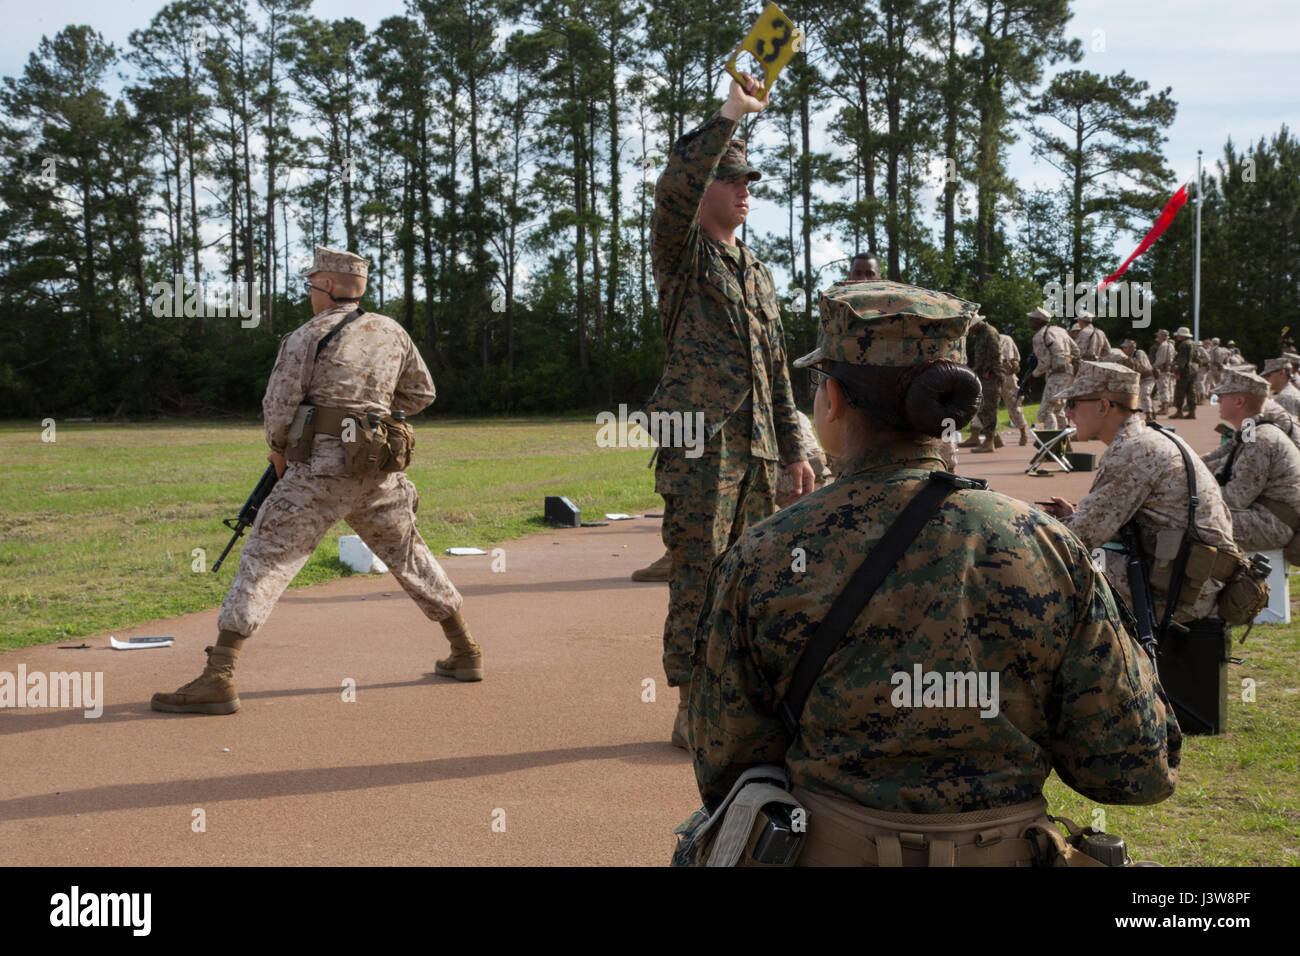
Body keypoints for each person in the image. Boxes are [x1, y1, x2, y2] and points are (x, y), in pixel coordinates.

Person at [686, 284, 1179, 867]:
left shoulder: (764, 554)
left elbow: (726, 764)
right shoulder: (1049, 549)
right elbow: (1135, 768)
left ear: (835, 398)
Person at [152, 247, 479, 714]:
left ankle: (219, 675)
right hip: (377, 470)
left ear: (326, 286)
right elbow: (422, 393)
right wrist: (374, 413)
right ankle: (465, 651)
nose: (309, 294)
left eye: (310, 285)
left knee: (265, 558)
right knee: (409, 555)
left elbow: (279, 404)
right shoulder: (391, 331)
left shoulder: (308, 335)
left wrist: (279, 448)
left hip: (317, 470)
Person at [645, 71, 814, 748]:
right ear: (708, 186)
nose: (745, 191)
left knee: (754, 572)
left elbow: (775, 364)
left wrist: (796, 446)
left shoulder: (756, 270)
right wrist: (729, 115)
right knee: (700, 570)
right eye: (733, 179)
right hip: (699, 440)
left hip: (759, 444)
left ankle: (743, 694)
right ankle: (691, 703)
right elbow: (675, 184)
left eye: (750, 183)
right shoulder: (682, 253)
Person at [1042, 362, 1237, 623]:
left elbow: (1082, 538)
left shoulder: (1132, 451)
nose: (1067, 413)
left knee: (1049, 568)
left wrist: (1032, 525)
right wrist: (1072, 516)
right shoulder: (1150, 437)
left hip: (1182, 592)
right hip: (1192, 578)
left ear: (1103, 406)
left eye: (1073, 404)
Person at [632, 410, 834, 582]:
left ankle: (680, 555)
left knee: (690, 476)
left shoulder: (724, 409)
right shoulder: (783, 406)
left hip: (789, 475)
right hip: (813, 474)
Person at [1201, 369, 1300, 553]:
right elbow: (1224, 453)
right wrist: (1188, 465)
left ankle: (1222, 582)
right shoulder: (1251, 427)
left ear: (1239, 401)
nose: (1218, 401)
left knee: (1191, 523)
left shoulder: (1260, 440)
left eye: (1222, 396)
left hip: (1273, 523)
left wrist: (1191, 493)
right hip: (1266, 513)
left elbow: (1235, 498)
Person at [960, 314, 1004, 453]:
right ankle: (995, 438)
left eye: (970, 328)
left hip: (990, 376)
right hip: (984, 374)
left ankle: (989, 442)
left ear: (976, 324)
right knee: (982, 407)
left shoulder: (989, 333)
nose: (970, 331)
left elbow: (996, 354)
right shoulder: (981, 333)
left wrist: (987, 370)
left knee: (988, 408)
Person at [1027, 305, 1076, 429]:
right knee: (1058, 409)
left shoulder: (1039, 336)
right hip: (1069, 374)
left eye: (1031, 319)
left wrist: (1032, 376)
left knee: (1045, 412)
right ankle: (1064, 441)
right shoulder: (1060, 331)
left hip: (1056, 376)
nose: (1029, 322)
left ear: (1039, 321)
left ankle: (1052, 443)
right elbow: (1076, 350)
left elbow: (1044, 363)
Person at [998, 331, 1032, 445]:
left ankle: (991, 437)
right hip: (1009, 375)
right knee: (1014, 405)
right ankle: (1023, 433)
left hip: (995, 375)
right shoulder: (1008, 338)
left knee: (986, 406)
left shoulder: (986, 339)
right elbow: (1017, 358)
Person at [1119, 338, 1156, 420]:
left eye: (1125, 348)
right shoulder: (1128, 357)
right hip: (1139, 379)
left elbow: (1144, 367)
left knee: (1145, 394)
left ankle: (1149, 415)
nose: (1123, 350)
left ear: (1131, 348)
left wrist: (1132, 365)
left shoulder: (1139, 353)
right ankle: (1151, 413)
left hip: (1147, 378)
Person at [1169, 327, 1199, 419]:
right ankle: (1192, 411)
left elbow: (1182, 361)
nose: (1177, 336)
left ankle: (1179, 411)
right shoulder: (1193, 343)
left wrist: (1177, 371)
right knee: (1191, 391)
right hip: (1193, 369)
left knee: (1180, 391)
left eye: (1178, 335)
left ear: (1182, 336)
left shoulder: (1184, 345)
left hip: (1185, 370)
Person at [1151, 329, 1175, 414]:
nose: (1157, 336)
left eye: (1159, 335)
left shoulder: (1164, 345)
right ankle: (1165, 406)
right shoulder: (1170, 345)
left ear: (1163, 336)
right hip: (1167, 369)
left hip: (1162, 370)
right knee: (1166, 388)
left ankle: (1164, 408)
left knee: (1163, 389)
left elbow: (1160, 359)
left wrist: (1153, 366)